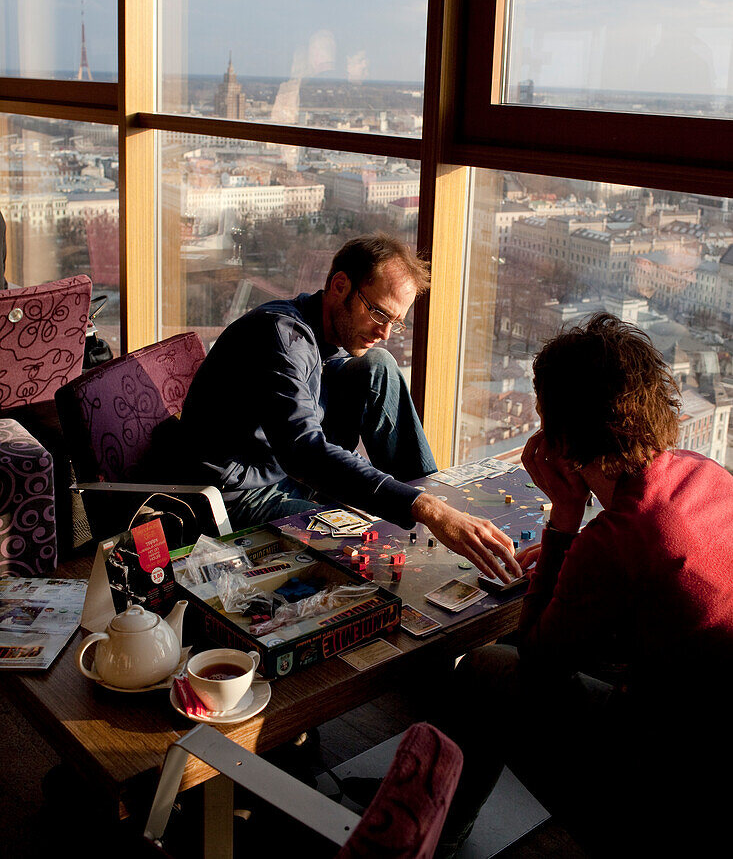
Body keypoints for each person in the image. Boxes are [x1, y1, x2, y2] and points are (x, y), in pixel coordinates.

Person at [433, 313, 733, 857]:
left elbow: (537, 657)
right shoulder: (703, 470)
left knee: (485, 667)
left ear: (562, 437)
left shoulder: (620, 533)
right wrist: (568, 558)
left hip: (666, 774)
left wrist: (565, 518)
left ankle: (438, 838)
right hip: (715, 736)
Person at [181, 233, 521, 581]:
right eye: (377, 312)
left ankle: (435, 506)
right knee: (363, 544)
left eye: (396, 321)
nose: (386, 331)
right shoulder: (281, 337)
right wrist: (421, 508)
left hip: (282, 468)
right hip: (240, 493)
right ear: (340, 285)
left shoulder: (324, 334)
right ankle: (428, 512)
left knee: (378, 365)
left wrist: (424, 504)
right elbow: (304, 452)